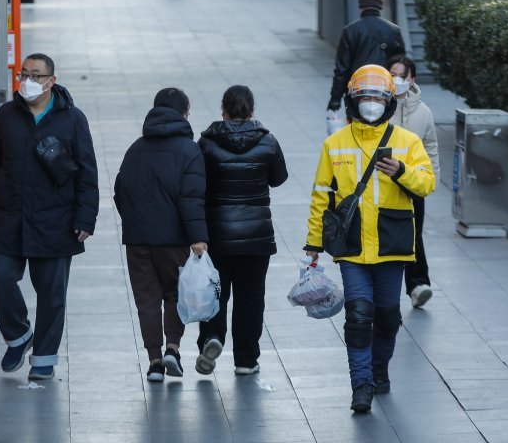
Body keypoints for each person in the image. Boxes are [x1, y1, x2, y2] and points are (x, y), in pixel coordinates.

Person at [305, 65, 435, 413]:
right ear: (353, 100)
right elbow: (322, 196)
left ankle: (379, 369)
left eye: (379, 97)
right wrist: (312, 245)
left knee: (388, 317)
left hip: (392, 245)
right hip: (352, 247)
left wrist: (403, 173)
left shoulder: (407, 142)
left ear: (390, 101)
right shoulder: (335, 144)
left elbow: (427, 184)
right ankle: (361, 384)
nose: (372, 103)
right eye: (365, 96)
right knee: (359, 316)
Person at [0, 53, 98, 381]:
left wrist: (86, 217)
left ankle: (44, 358)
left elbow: (87, 173)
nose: (29, 80)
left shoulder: (72, 119)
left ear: (52, 81)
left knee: (52, 294)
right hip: (8, 217)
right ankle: (19, 335)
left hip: (55, 220)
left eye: (37, 75)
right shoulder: (7, 116)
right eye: (24, 74)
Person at [114, 88, 208, 383]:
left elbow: (120, 192)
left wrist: (134, 221)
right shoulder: (189, 150)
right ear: (184, 113)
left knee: (147, 300)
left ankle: (154, 362)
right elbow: (191, 198)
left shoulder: (135, 148)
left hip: (138, 238)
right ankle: (173, 349)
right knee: (173, 294)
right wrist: (198, 237)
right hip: (174, 239)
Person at [195, 85, 288, 376]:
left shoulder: (206, 143)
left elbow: (198, 183)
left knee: (215, 293)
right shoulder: (268, 141)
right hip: (256, 235)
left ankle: (212, 337)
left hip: (217, 233)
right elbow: (279, 178)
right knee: (251, 297)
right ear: (252, 110)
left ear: (223, 109)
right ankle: (246, 360)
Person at [385, 54, 439, 308]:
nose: (396, 80)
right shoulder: (380, 106)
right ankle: (386, 289)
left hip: (414, 181)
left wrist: (431, 178)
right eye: (392, 74)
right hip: (384, 181)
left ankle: (418, 285)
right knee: (388, 235)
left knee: (414, 234)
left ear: (412, 79)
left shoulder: (424, 112)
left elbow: (431, 148)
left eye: (401, 76)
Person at [328, 0, 405, 112]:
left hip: (357, 92)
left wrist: (335, 98)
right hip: (384, 92)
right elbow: (401, 67)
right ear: (381, 4)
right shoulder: (394, 30)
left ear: (360, 4)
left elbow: (342, 70)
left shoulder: (350, 31)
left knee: (356, 129)